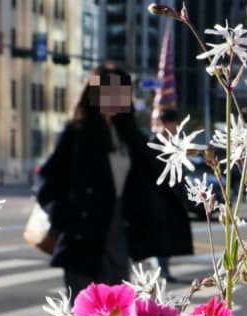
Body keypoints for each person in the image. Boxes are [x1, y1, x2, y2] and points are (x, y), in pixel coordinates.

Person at [35, 63, 193, 298]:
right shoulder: (76, 133)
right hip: (83, 234)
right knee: (86, 310)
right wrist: (67, 217)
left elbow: (153, 176)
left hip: (119, 230)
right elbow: (48, 182)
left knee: (118, 310)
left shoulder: (129, 135)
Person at [151, 107, 193, 282]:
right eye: (173, 123)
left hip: (172, 196)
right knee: (160, 235)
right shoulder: (154, 143)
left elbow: (180, 171)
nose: (175, 127)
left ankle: (163, 269)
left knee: (168, 235)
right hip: (157, 197)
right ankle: (161, 270)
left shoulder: (175, 144)